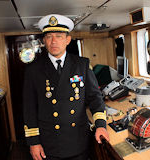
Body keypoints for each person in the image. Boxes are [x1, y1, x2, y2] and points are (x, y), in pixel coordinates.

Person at [23, 14, 109, 160]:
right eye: (49, 36)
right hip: (49, 144)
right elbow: (29, 109)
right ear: (44, 40)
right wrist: (33, 142)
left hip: (78, 140)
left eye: (59, 36)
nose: (53, 41)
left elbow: (95, 97)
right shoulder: (33, 70)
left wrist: (101, 125)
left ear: (68, 40)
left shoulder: (82, 64)